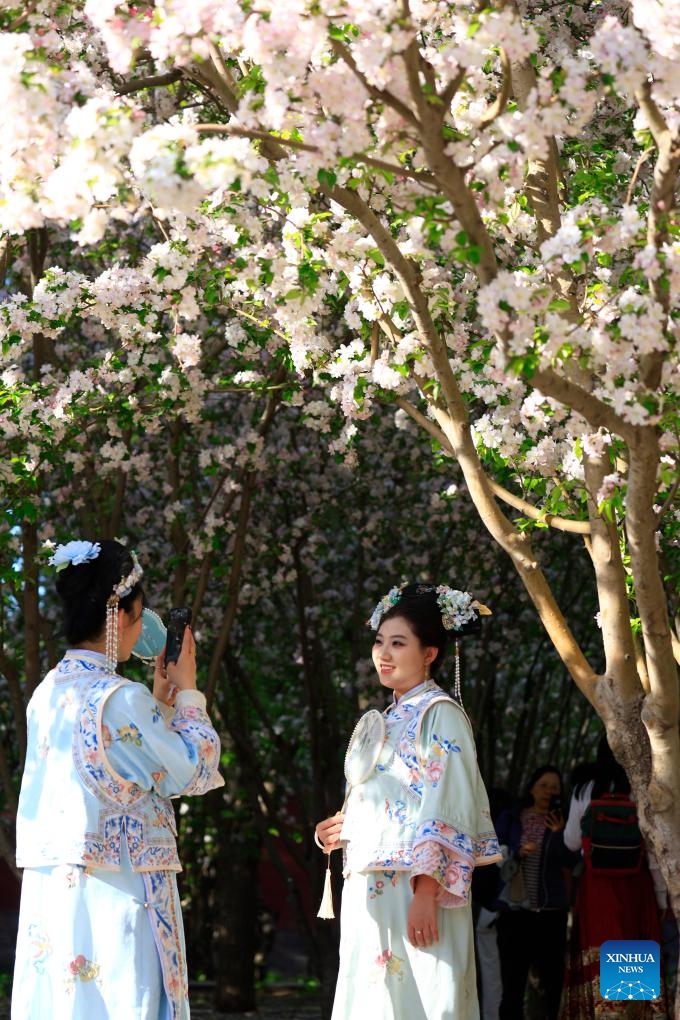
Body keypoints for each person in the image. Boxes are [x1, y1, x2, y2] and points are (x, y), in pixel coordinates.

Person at [11, 539, 224, 1020]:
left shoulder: (47, 694)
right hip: (120, 892)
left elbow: (141, 770)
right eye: (139, 613)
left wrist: (160, 704)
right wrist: (188, 692)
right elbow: (194, 770)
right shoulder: (119, 698)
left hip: (58, 892)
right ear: (119, 615)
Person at [315, 582, 501, 1020]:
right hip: (370, 890)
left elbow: (446, 804)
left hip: (418, 889)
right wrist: (337, 829)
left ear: (430, 653)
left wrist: (426, 889)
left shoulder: (442, 715)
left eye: (398, 643)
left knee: (427, 998)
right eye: (380, 641)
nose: (384, 653)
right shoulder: (384, 720)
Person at [559, 736, 669, 1018]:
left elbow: (571, 842)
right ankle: (628, 1012)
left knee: (600, 944)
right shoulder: (641, 787)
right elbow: (654, 853)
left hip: (596, 887)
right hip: (635, 885)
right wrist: (660, 897)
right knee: (629, 944)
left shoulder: (584, 789)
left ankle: (602, 1013)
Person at [494, 765, 578, 1020]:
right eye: (543, 785)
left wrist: (560, 833)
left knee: (552, 987)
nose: (549, 792)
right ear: (531, 787)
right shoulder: (512, 818)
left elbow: (572, 863)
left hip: (551, 914)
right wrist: (518, 854)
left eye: (555, 788)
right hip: (515, 914)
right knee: (512, 988)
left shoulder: (563, 822)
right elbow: (495, 857)